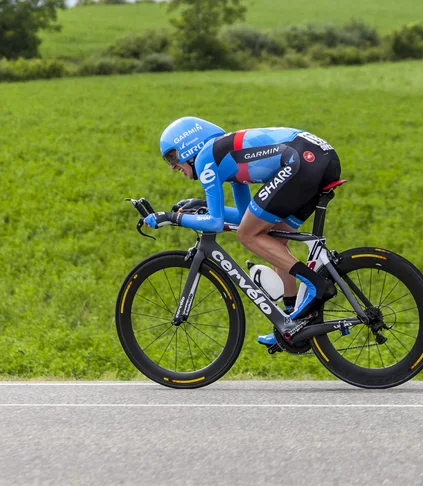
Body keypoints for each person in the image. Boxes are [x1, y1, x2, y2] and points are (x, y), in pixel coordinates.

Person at [144, 117, 340, 347]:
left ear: (189, 145)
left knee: (247, 235)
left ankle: (317, 284)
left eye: (172, 156)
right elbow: (245, 216)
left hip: (301, 160)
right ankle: (292, 322)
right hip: (319, 158)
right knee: (270, 235)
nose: (171, 166)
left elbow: (216, 223)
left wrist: (170, 217)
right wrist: (202, 208)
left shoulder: (207, 157)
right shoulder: (227, 159)